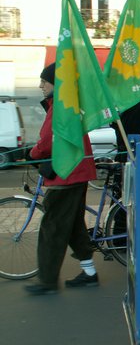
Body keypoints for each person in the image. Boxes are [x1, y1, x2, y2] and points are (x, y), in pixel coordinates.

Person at [24, 63, 99, 295]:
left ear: (56, 84)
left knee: (52, 228)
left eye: (44, 82)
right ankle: (89, 273)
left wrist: (32, 154)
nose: (40, 85)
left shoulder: (59, 107)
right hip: (76, 173)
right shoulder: (68, 104)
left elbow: (47, 141)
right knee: (74, 226)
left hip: (66, 176)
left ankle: (46, 281)